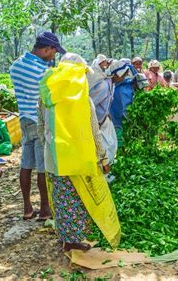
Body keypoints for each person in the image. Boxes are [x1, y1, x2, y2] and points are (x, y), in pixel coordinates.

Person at [38, 53, 120, 252]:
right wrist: (103, 158)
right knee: (77, 199)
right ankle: (72, 242)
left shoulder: (46, 96)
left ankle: (66, 238)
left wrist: (48, 149)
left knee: (61, 198)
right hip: (79, 160)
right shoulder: (84, 100)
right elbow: (94, 133)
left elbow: (41, 127)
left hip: (55, 158)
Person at [9, 31, 66, 221]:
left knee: (26, 164)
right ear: (46, 49)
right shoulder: (44, 71)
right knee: (43, 167)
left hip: (24, 119)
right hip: (39, 121)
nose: (54, 56)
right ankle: (45, 209)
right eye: (53, 52)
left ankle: (27, 208)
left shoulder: (16, 66)